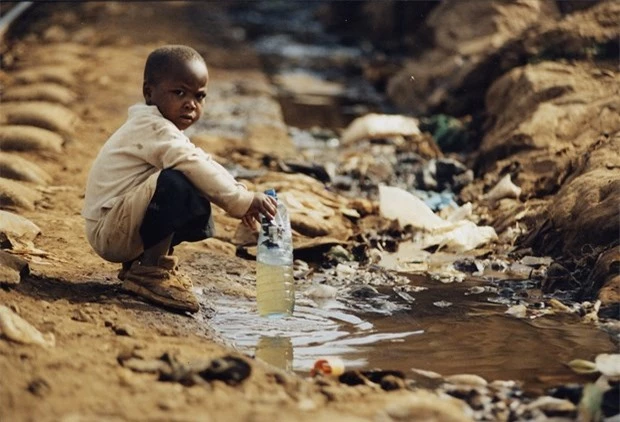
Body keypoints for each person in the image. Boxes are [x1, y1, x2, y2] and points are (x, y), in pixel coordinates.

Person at [82, 45, 277, 313]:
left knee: (193, 182)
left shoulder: (162, 128)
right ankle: (150, 271)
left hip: (119, 224)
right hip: (110, 231)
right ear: (149, 92)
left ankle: (142, 264)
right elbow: (193, 163)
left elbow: (202, 162)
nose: (191, 104)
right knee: (178, 182)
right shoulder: (152, 127)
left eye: (199, 96)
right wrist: (241, 201)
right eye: (179, 93)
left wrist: (240, 193)